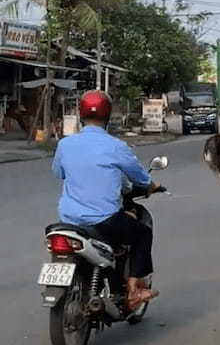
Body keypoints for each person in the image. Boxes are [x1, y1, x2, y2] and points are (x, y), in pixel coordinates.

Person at [52, 91, 162, 312]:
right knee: (142, 233)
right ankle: (134, 290)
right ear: (108, 115)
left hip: (69, 220)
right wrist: (152, 186)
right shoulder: (116, 146)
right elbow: (139, 177)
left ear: (81, 114)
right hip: (104, 221)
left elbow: (58, 172)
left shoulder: (65, 145)